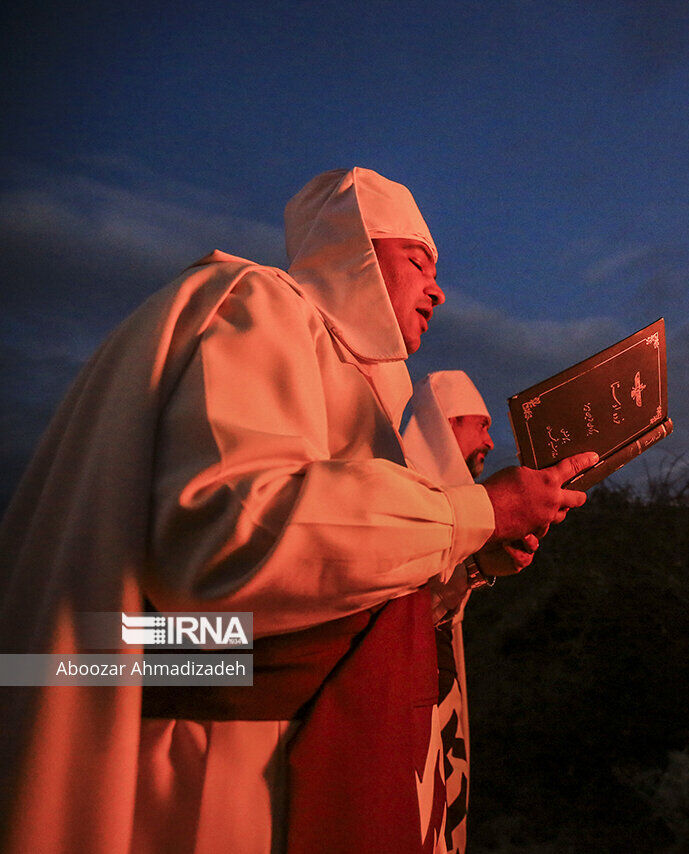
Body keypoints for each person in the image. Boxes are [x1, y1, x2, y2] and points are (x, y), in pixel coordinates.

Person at [0, 167, 594, 854]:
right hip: (212, 763)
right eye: (418, 261)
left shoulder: (353, 382)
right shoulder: (257, 304)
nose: (437, 290)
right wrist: (475, 514)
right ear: (356, 251)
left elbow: (333, 588)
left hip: (281, 744)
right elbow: (227, 544)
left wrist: (466, 559)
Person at [401, 369, 512, 853]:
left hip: (438, 690)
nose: (489, 440)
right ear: (446, 424)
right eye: (480, 425)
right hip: (405, 694)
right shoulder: (402, 486)